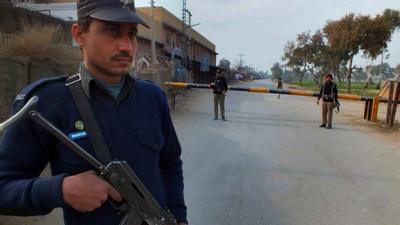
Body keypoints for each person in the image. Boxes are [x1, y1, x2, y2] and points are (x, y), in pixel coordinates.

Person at [0, 1, 187, 225]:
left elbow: (170, 164)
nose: (127, 46)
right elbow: (4, 187)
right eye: (112, 31)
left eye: (132, 34)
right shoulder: (47, 103)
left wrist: (179, 218)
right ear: (80, 35)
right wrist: (60, 190)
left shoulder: (153, 97)